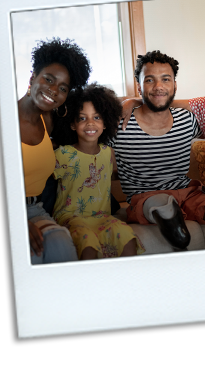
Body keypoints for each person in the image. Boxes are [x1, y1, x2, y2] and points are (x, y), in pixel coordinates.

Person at [110, 50, 205, 249]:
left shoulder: (188, 119)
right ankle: (170, 221)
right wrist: (126, 102)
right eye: (150, 80)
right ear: (139, 86)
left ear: (175, 85)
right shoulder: (120, 124)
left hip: (187, 193)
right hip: (145, 196)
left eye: (166, 79)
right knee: (159, 202)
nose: (158, 87)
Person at [51, 83, 145, 260]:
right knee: (87, 244)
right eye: (82, 118)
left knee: (127, 237)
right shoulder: (63, 154)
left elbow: (118, 176)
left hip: (102, 216)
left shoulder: (108, 153)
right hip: (71, 216)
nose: (90, 123)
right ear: (72, 124)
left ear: (105, 122)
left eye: (96, 117)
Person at [18, 37, 91, 264]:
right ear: (32, 78)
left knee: (59, 241)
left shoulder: (47, 120)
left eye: (62, 88)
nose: (53, 91)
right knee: (31, 254)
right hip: (11, 210)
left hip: (34, 208)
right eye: (48, 80)